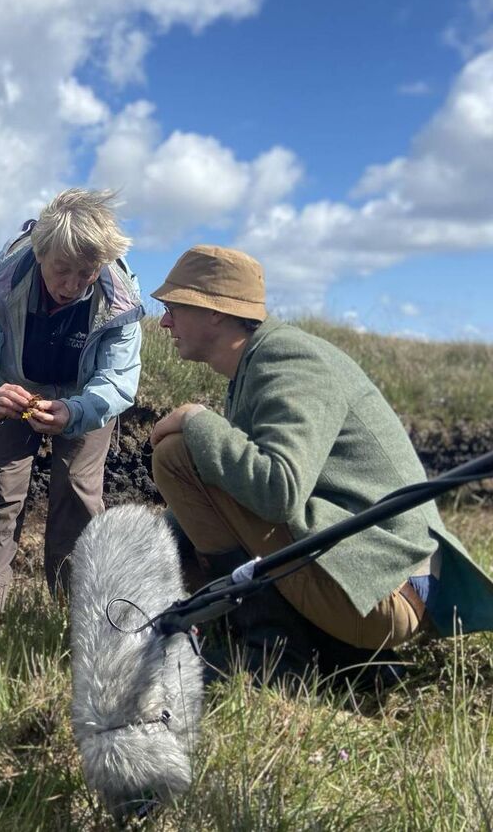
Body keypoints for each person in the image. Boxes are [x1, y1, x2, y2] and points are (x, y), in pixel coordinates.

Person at [148, 244, 493, 672]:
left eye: (174, 308)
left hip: (383, 589)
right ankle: (333, 654)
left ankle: (275, 657)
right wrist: (152, 543)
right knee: (195, 478)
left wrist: (197, 419)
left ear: (215, 311)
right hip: (367, 578)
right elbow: (230, 499)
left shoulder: (288, 359)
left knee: (178, 453)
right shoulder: (256, 366)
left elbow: (279, 491)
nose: (165, 321)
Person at [0, 188, 143, 632]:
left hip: (87, 397)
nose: (72, 285)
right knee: (2, 490)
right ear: (39, 253)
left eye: (86, 273)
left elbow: (118, 381)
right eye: (62, 270)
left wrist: (77, 411)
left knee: (78, 489)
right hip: (11, 392)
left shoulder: (121, 301)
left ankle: (82, 617)